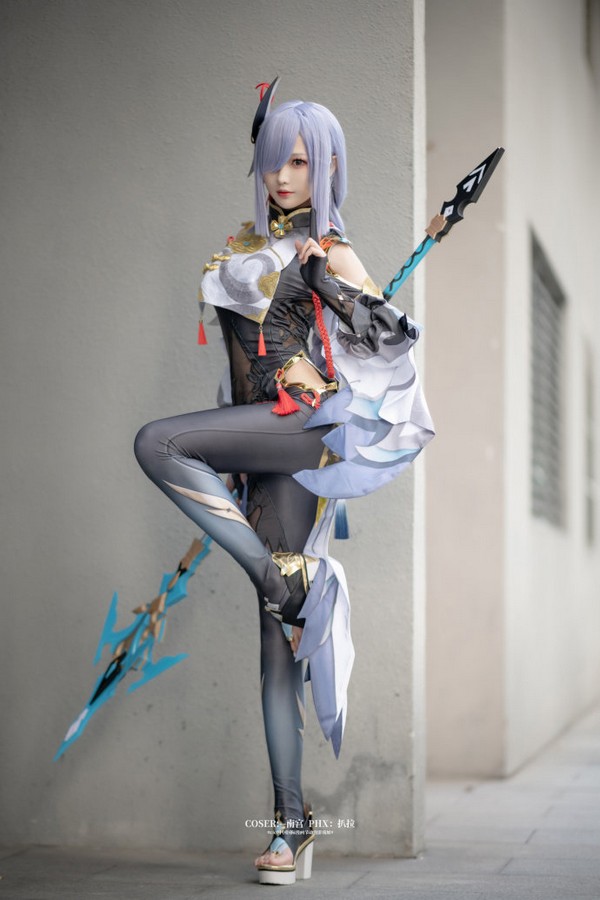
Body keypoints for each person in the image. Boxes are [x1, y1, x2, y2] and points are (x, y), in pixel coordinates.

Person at [133, 80, 434, 886]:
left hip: (300, 433)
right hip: (254, 444)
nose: (282, 176)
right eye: (273, 161)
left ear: (326, 167)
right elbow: (237, 368)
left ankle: (287, 581)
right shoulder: (242, 248)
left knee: (158, 442)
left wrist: (328, 279)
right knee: (275, 645)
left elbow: (390, 338)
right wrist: (230, 465)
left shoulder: (331, 248)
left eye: (299, 163)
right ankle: (292, 824)